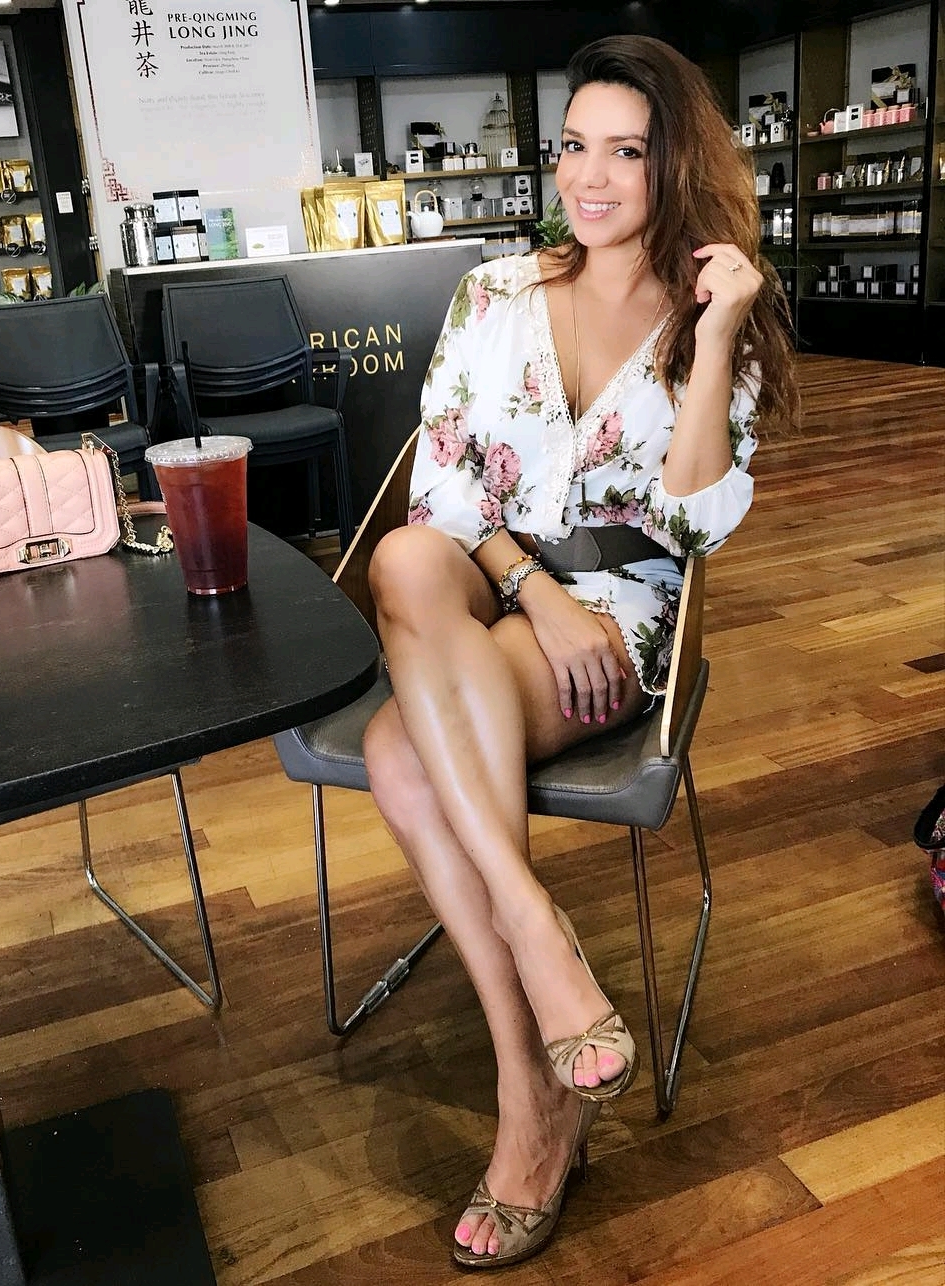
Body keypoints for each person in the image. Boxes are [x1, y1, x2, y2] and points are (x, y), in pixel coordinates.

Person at [362, 34, 797, 1271]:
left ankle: (532, 1095)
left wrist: (719, 330)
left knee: (400, 752)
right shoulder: (495, 291)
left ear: (676, 165)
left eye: (626, 151)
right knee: (404, 557)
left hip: (621, 609)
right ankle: (536, 923)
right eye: (574, 147)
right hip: (492, 572)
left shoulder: (715, 314)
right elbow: (443, 491)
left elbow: (697, 523)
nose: (590, 177)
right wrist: (532, 591)